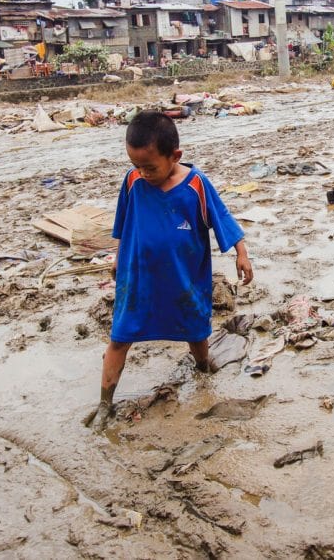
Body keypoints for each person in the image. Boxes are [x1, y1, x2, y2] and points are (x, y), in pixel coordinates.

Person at [90, 112, 253, 431]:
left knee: (195, 328)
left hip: (184, 278)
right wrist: (117, 258)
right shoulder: (133, 181)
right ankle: (104, 405)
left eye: (150, 166)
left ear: (175, 156)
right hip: (137, 279)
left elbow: (222, 217)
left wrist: (242, 254)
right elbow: (123, 225)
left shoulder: (196, 185)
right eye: (137, 165)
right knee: (120, 338)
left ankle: (203, 367)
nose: (143, 173)